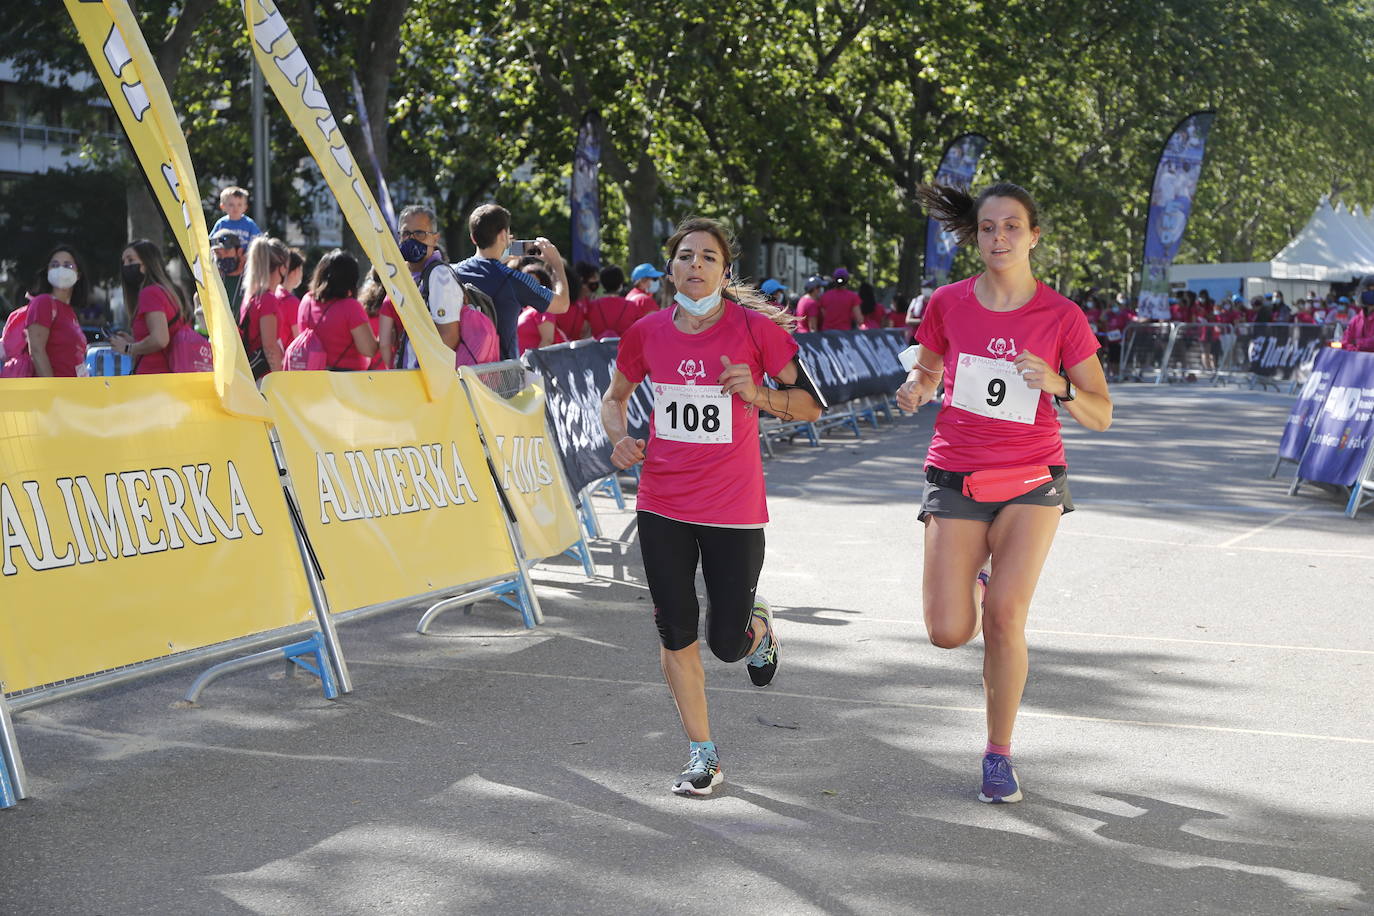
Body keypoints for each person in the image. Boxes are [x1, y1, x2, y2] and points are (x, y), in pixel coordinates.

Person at [898, 181, 1111, 804]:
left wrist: (1058, 384)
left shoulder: (1062, 316)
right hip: (957, 475)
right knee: (945, 631)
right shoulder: (948, 302)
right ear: (976, 235)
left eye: (1012, 226)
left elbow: (1102, 413)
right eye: (989, 228)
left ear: (1033, 236)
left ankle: (998, 754)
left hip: (1031, 479)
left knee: (1005, 618)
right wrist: (916, 387)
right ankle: (978, 583)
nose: (999, 238)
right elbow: (931, 368)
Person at [600, 217, 823, 797]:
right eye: (685, 256)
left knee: (725, 642)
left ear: (725, 271)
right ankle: (703, 755)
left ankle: (759, 628)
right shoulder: (646, 332)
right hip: (662, 502)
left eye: (708, 257)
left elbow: (810, 405)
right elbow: (614, 398)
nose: (695, 265)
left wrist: (760, 395)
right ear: (670, 267)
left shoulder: (754, 330)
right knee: (674, 630)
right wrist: (617, 436)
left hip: (733, 507)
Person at [455, 203, 569, 359]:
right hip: (502, 374)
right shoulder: (515, 280)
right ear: (503, 235)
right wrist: (556, 264)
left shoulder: (452, 272)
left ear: (473, 238)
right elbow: (562, 304)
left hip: (462, 371)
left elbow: (486, 267)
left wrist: (502, 251)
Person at [377, 205, 464, 368]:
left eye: (419, 233)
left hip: (424, 380)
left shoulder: (439, 276)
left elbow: (449, 336)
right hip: (408, 378)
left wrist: (421, 371)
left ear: (435, 238)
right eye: (406, 233)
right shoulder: (400, 277)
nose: (411, 239)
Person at [109, 239, 192, 374]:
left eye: (130, 260)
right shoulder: (170, 291)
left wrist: (128, 348)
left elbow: (160, 339)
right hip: (171, 376)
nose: (125, 266)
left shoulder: (150, 293)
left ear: (147, 263)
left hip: (154, 378)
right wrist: (136, 342)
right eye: (123, 262)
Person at [294, 250, 378, 371]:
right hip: (345, 382)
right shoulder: (350, 307)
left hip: (311, 377)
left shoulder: (306, 301)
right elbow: (369, 350)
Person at [19, 245, 90, 377]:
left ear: (78, 275)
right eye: (55, 265)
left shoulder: (70, 312)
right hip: (54, 394)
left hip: (72, 391)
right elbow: (36, 350)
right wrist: (51, 389)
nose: (61, 269)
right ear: (47, 272)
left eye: (68, 265)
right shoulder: (43, 302)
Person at [238, 235, 291, 376]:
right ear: (282, 267)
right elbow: (269, 346)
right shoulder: (267, 300)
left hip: (252, 374)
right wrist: (279, 378)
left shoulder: (252, 297)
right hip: (264, 378)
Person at [586, 265, 647, 339]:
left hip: (598, 349)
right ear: (620, 284)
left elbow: (585, 331)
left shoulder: (592, 305)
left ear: (602, 284)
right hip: (624, 348)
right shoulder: (632, 306)